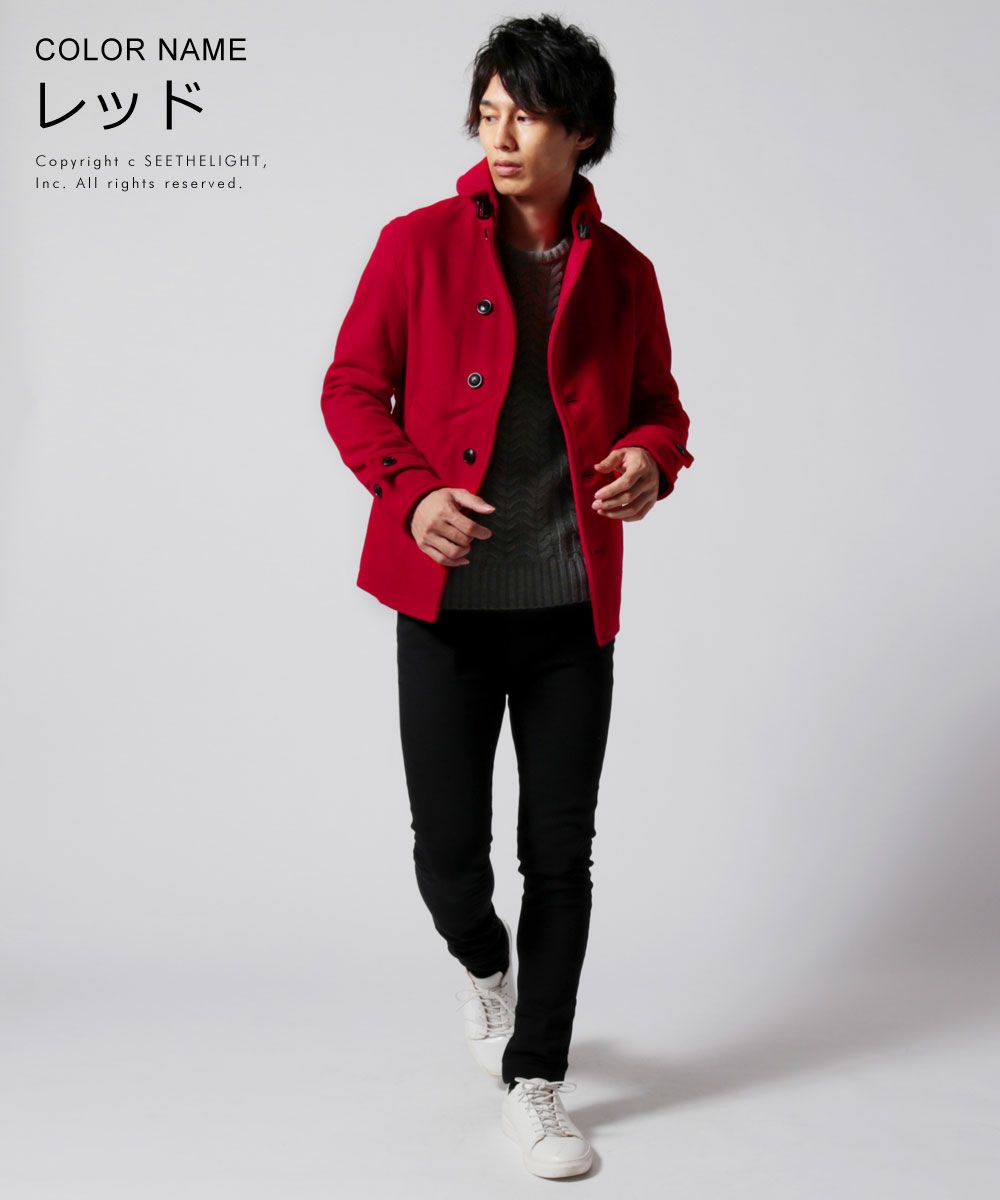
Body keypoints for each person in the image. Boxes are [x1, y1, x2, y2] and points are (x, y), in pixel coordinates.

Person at [320, 14, 694, 1180]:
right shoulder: (414, 246)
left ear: (580, 132)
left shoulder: (624, 273)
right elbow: (350, 388)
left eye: (523, 115)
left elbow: (661, 411)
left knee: (560, 855)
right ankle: (486, 968)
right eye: (486, 114)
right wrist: (409, 491)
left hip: (570, 613)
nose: (499, 136)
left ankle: (537, 1082)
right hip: (444, 610)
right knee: (448, 858)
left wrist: (650, 459)